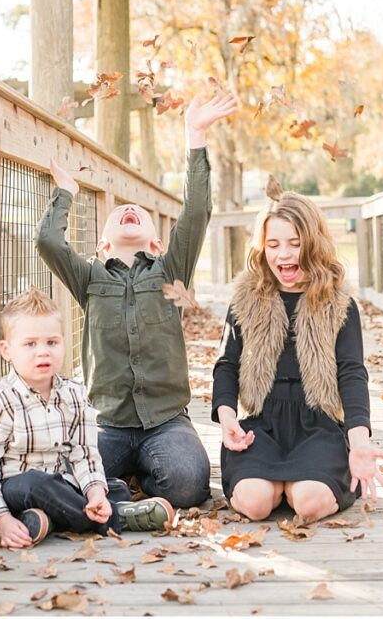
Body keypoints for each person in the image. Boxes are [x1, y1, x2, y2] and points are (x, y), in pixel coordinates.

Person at [35, 91, 236, 509]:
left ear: (158, 240)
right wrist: (66, 192)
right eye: (121, 210)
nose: (129, 208)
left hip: (165, 421)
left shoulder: (170, 271)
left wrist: (194, 135)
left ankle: (134, 477)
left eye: (138, 211)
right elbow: (48, 241)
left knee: (188, 485)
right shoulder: (88, 277)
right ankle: (127, 496)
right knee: (64, 479)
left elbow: (196, 212)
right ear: (103, 242)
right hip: (107, 424)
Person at [211, 180, 383, 521]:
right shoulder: (247, 298)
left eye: (295, 243)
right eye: (273, 244)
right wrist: (227, 418)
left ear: (313, 244)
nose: (284, 254)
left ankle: (299, 482)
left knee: (308, 503)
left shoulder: (339, 302)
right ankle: (274, 482)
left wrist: (360, 440)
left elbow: (351, 373)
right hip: (261, 424)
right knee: (255, 504)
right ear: (263, 248)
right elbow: (226, 364)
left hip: (317, 424)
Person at [0, 287, 174, 548]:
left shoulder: (74, 393)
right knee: (38, 484)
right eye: (30, 344)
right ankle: (114, 519)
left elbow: (84, 453)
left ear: (64, 342)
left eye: (51, 342)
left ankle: (48, 520)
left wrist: (96, 492)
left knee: (113, 486)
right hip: (17, 487)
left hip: (60, 485)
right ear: (7, 350)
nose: (42, 352)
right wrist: (3, 521)